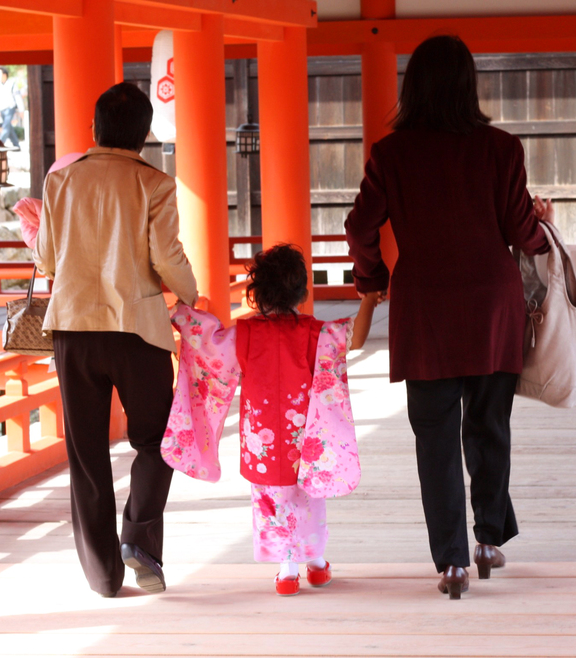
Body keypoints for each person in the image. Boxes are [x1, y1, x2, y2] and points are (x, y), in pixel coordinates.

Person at [344, 35, 553, 599]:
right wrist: (543, 224)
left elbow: (359, 228)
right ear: (470, 84)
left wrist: (373, 280)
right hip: (491, 308)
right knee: (490, 426)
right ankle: (488, 539)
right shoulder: (502, 149)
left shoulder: (392, 153)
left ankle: (453, 564)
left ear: (414, 87)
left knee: (433, 437)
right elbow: (521, 233)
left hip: (426, 312)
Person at [33, 82, 198, 598]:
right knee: (157, 441)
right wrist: (191, 297)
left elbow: (46, 260)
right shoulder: (155, 184)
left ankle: (104, 577)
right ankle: (140, 542)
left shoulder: (61, 181)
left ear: (94, 128)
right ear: (144, 134)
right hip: (138, 332)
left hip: (74, 330)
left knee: (86, 453)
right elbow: (166, 258)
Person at [234, 244, 382, 596]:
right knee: (309, 497)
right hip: (306, 436)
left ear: (258, 291)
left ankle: (287, 573)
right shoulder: (314, 333)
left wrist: (184, 315)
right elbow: (356, 337)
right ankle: (315, 566)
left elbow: (208, 347)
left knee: (272, 499)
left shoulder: (246, 333)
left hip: (263, 441)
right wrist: (370, 299)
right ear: (302, 290)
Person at [0, 67, 24, 149]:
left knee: (5, 127)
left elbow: (18, 98)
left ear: (4, 75)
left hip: (10, 108)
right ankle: (16, 144)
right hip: (1, 110)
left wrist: (21, 110)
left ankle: (0, 143)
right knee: (8, 126)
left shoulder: (12, 85)